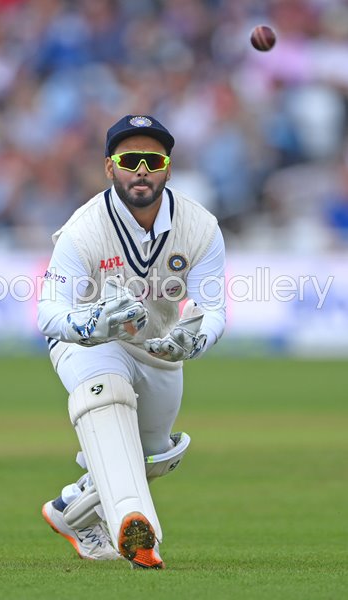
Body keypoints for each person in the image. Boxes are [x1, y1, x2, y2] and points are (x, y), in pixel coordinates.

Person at [37, 114, 226, 569]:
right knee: (109, 402)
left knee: (152, 455)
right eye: (130, 160)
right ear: (110, 167)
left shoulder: (200, 228)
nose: (141, 170)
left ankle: (71, 510)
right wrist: (90, 326)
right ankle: (139, 531)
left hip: (159, 348)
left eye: (152, 160)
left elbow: (214, 309)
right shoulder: (85, 229)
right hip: (88, 342)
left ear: (167, 167)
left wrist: (192, 340)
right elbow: (48, 312)